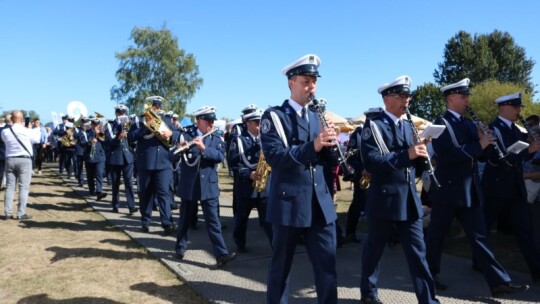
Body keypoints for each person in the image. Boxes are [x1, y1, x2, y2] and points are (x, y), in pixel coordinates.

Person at [425, 79, 529, 297]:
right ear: (451, 98)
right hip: (448, 190)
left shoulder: (466, 123)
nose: (467, 100)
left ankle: (498, 282)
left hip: (469, 190)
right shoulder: (441, 123)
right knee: (436, 236)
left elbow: (481, 154)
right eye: (463, 97)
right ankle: (428, 277)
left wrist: (487, 141)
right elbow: (448, 155)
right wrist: (478, 144)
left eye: (466, 96)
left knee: (479, 237)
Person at [260, 54, 338, 304]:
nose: (311, 87)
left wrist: (334, 149)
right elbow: (276, 158)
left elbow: (327, 161)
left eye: (314, 81)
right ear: (291, 83)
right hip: (289, 202)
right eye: (306, 81)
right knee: (281, 268)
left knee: (327, 267)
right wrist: (314, 145)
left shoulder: (318, 116)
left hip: (320, 204)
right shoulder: (274, 117)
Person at [359, 75, 439, 304]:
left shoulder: (408, 125)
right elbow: (372, 162)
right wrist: (409, 154)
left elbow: (413, 163)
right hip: (384, 198)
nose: (407, 101)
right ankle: (369, 292)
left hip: (408, 198)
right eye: (402, 96)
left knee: (418, 254)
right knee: (374, 250)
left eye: (408, 96)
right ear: (387, 99)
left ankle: (428, 300)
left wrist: (423, 151)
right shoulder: (373, 125)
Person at [481, 92, 540, 283]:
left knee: (524, 230)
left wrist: (532, 150)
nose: (518, 111)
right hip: (496, 189)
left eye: (519, 107)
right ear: (503, 107)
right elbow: (499, 160)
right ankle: (478, 262)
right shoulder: (493, 129)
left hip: (515, 188)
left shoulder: (517, 129)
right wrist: (528, 150)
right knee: (484, 228)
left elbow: (522, 158)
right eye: (515, 107)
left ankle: (536, 272)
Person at [174, 106, 236, 266]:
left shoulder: (215, 138)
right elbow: (171, 156)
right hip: (190, 184)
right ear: (198, 121)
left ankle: (221, 254)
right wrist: (179, 149)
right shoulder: (186, 134)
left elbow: (220, 157)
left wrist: (204, 148)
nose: (211, 124)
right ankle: (180, 248)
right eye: (207, 121)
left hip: (208, 186)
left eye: (212, 121)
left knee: (214, 222)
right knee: (185, 220)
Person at [128, 96, 179, 235]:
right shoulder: (139, 121)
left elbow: (179, 133)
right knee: (145, 194)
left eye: (158, 107)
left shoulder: (166, 120)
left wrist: (172, 133)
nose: (156, 110)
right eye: (154, 107)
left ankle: (167, 223)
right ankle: (145, 222)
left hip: (164, 163)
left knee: (164, 193)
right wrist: (145, 128)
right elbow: (130, 137)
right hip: (145, 162)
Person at [228, 109, 273, 252]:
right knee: (241, 219)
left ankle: (276, 246)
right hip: (246, 187)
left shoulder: (266, 139)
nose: (260, 126)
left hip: (264, 186)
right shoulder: (239, 141)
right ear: (248, 123)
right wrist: (248, 173)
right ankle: (240, 244)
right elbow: (234, 164)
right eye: (257, 123)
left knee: (268, 220)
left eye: (261, 123)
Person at [1, 111, 41, 220]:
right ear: (22, 119)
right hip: (24, 160)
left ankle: (7, 213)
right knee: (23, 187)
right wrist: (35, 128)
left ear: (12, 119)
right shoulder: (26, 131)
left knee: (9, 187)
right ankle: (20, 213)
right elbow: (37, 139)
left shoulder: (5, 132)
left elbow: (5, 141)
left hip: (10, 159)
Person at [106, 105, 138, 215]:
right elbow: (109, 142)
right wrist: (118, 137)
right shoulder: (111, 125)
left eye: (123, 112)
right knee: (115, 183)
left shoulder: (129, 124)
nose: (122, 114)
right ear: (116, 113)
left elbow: (133, 138)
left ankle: (131, 206)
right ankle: (115, 204)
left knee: (129, 183)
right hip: (115, 157)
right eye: (119, 112)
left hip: (127, 157)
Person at [80, 119, 108, 200]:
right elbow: (82, 143)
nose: (96, 126)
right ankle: (92, 191)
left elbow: (106, 142)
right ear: (91, 124)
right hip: (89, 157)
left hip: (100, 157)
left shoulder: (102, 133)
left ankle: (99, 191)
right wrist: (90, 142)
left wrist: (98, 134)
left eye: (97, 124)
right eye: (94, 124)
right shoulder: (86, 132)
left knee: (99, 173)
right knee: (90, 176)